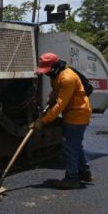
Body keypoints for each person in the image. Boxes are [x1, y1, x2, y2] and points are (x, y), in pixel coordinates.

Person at [32, 52, 93, 189]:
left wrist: (43, 121)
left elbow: (60, 105)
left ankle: (72, 179)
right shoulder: (56, 74)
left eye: (47, 70)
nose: (46, 73)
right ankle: (84, 173)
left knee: (69, 147)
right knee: (75, 145)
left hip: (77, 114)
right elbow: (56, 90)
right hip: (72, 112)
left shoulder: (68, 78)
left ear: (54, 66)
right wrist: (51, 97)